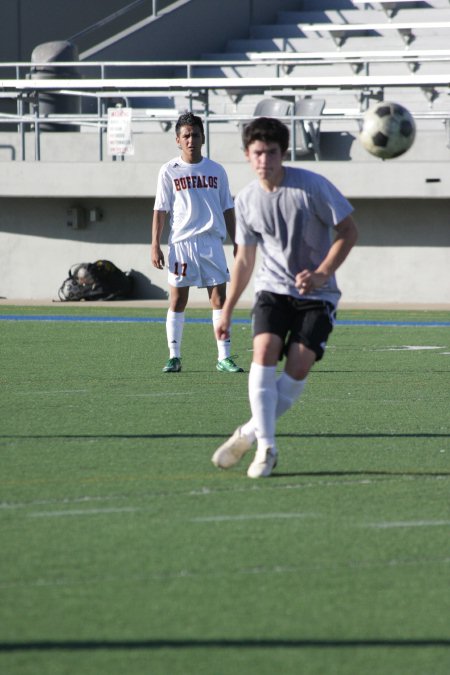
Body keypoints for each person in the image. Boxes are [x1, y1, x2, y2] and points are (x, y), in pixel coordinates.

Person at [211, 116, 358, 478]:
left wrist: (322, 272)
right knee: (263, 352)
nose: (265, 160)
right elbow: (245, 260)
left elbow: (348, 231)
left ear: (284, 153)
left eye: (272, 152)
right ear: (247, 154)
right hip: (272, 290)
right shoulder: (245, 201)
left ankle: (248, 431)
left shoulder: (312, 187)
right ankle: (267, 448)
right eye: (258, 153)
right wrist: (226, 309)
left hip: (318, 295)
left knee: (297, 368)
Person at [151, 112, 243, 373]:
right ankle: (174, 356)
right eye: (186, 135)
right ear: (178, 140)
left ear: (203, 138)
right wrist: (155, 244)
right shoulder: (169, 170)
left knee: (219, 300)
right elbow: (160, 209)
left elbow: (228, 207)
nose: (191, 139)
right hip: (181, 243)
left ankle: (223, 357)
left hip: (212, 242)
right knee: (178, 300)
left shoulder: (216, 170)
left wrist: (237, 240)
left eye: (196, 135)